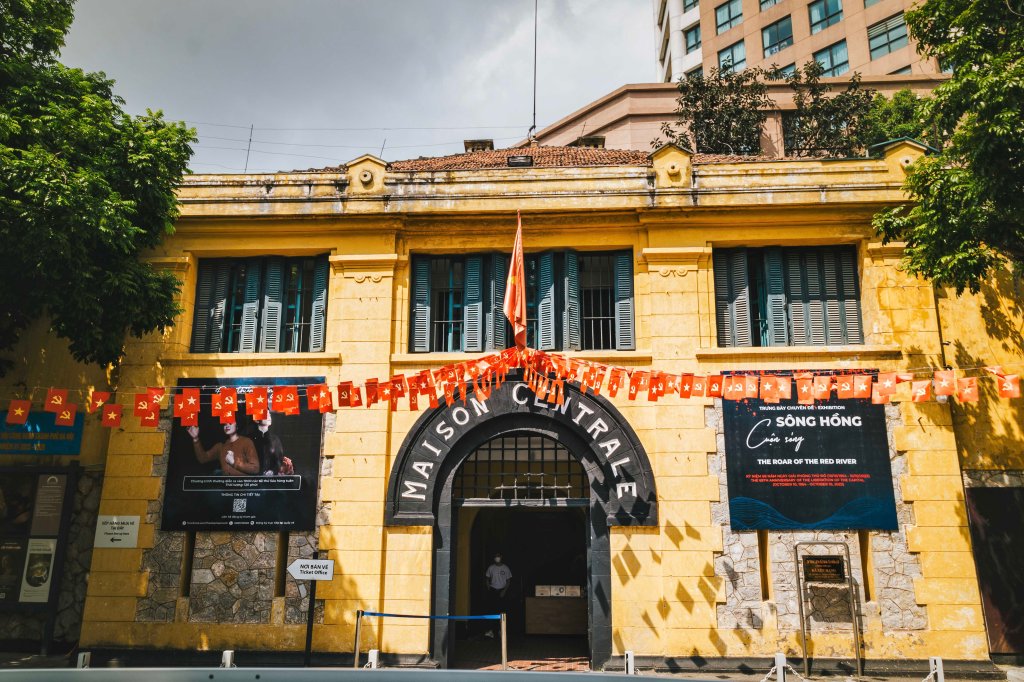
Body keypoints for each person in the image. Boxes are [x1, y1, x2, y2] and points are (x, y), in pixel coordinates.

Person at [187, 422, 259, 476]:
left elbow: (255, 468)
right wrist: (195, 439)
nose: (227, 425)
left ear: (237, 426)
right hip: (226, 490)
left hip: (244, 489)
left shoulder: (246, 442)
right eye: (224, 423)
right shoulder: (221, 446)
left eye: (230, 422)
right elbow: (203, 459)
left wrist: (234, 463)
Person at [483, 553, 512, 638]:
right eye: (496, 556)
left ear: (501, 557)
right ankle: (490, 631)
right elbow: (487, 579)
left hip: (502, 591)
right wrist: (489, 588)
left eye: (498, 556)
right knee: (491, 610)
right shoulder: (491, 567)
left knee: (502, 611)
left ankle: (501, 631)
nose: (497, 558)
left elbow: (508, 581)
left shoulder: (505, 568)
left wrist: (504, 591)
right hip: (493, 591)